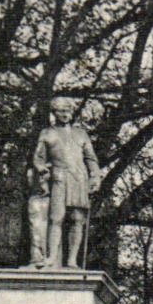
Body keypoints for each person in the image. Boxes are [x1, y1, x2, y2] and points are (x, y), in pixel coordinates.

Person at [31, 96, 100, 268]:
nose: (65, 114)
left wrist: (95, 177)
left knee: (77, 218)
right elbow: (38, 158)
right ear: (54, 112)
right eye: (61, 111)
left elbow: (91, 159)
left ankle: (72, 260)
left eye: (68, 111)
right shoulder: (47, 133)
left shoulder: (81, 134)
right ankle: (52, 257)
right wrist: (41, 168)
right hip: (59, 177)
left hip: (79, 178)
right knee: (57, 217)